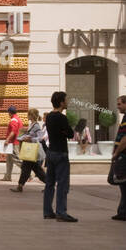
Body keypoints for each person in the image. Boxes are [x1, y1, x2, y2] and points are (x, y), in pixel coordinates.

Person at [43, 91, 76, 222]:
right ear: (62, 102)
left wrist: (64, 131)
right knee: (62, 184)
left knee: (49, 183)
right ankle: (61, 212)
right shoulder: (62, 118)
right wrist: (65, 131)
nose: (67, 102)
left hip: (50, 152)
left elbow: (64, 132)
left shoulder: (50, 116)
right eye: (66, 100)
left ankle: (47, 211)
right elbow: (70, 134)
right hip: (61, 153)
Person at [11, 108, 48, 192]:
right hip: (29, 150)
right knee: (32, 169)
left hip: (32, 151)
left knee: (29, 169)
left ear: (32, 115)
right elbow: (29, 135)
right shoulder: (31, 124)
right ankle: (20, 185)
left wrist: (31, 139)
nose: (27, 116)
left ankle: (20, 186)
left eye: (29, 114)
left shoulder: (36, 126)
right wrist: (22, 137)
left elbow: (40, 138)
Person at [0, 105, 22, 183]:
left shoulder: (14, 120)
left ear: (10, 113)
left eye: (8, 112)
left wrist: (7, 140)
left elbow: (13, 131)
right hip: (13, 143)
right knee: (9, 161)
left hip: (13, 143)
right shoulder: (17, 119)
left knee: (16, 159)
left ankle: (28, 173)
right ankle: (7, 176)